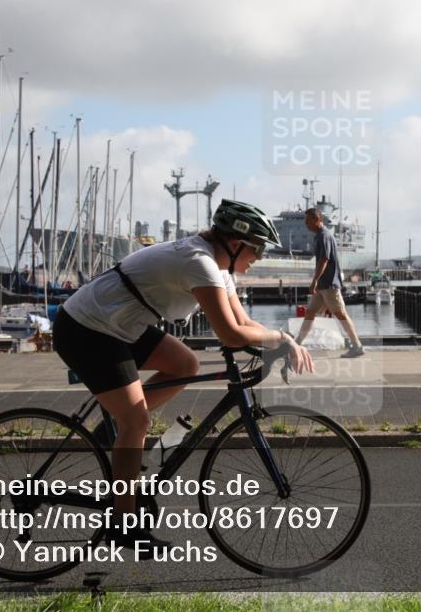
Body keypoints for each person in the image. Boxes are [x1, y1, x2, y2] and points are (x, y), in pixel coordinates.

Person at [52, 199, 314, 552]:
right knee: (136, 421)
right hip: (87, 328)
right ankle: (122, 526)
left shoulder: (219, 267)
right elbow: (230, 335)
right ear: (235, 243)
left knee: (186, 365)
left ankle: (112, 429)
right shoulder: (199, 262)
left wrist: (279, 342)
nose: (260, 257)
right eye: (258, 248)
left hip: (121, 325)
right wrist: (280, 338)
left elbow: (244, 322)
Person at [295, 207, 364, 357]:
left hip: (329, 285)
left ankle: (357, 346)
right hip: (322, 285)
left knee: (341, 315)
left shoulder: (324, 236)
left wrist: (314, 280)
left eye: (308, 221)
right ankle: (296, 344)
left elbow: (324, 260)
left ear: (317, 220)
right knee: (310, 312)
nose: (306, 224)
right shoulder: (319, 235)